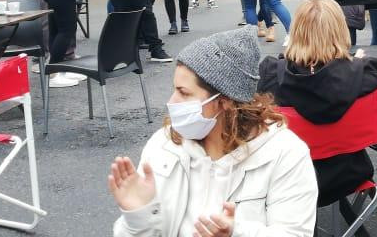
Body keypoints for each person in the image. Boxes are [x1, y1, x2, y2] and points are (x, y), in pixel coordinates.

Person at [109, 28, 318, 236]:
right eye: (174, 89)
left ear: (223, 102)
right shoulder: (164, 145)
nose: (171, 102)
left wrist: (236, 233)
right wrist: (139, 216)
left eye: (184, 92)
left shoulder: (285, 153)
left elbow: (294, 233)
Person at [257, 0, 377, 206]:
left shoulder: (270, 73)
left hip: (287, 177)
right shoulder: (367, 72)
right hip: (347, 173)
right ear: (340, 30)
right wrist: (355, 62)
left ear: (296, 32)